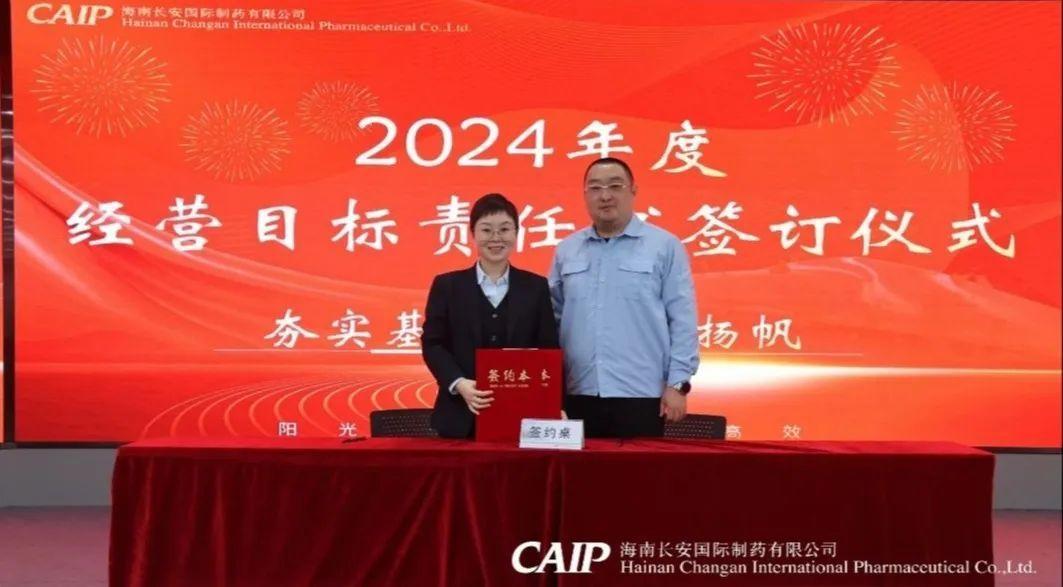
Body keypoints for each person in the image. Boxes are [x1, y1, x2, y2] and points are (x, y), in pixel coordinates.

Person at [548, 157, 699, 438]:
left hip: (642, 394)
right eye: (595, 188)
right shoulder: (567, 250)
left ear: (633, 191)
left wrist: (678, 384)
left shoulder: (664, 246)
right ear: (585, 195)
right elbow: (551, 319)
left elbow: (682, 319)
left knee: (638, 469)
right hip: (577, 392)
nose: (605, 196)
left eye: (615, 186)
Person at [422, 193, 559, 438]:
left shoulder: (536, 287)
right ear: (473, 233)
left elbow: (548, 350)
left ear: (516, 233)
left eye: (504, 229)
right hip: (459, 415)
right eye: (486, 230)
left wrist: (553, 405)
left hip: (523, 415)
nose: (496, 238)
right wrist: (459, 383)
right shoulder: (447, 286)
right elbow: (433, 344)